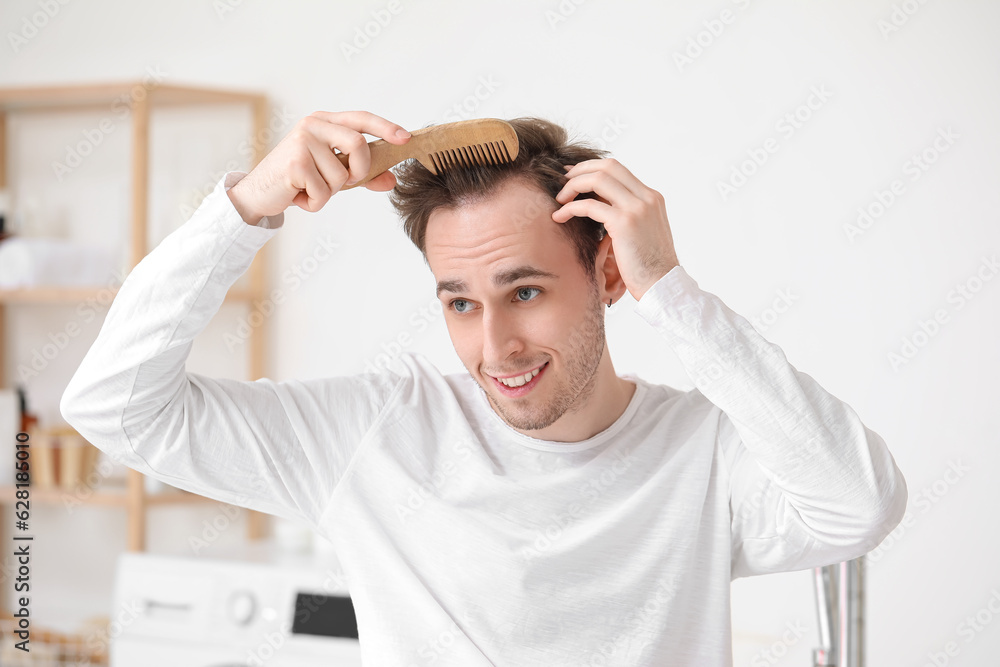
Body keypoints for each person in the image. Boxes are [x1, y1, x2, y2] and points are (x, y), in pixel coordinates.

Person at [60, 110, 908, 665]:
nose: (494, 345)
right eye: (459, 301)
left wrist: (674, 292)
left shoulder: (702, 453)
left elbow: (858, 504)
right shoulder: (377, 434)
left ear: (609, 273)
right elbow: (113, 405)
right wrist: (246, 205)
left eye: (525, 291)